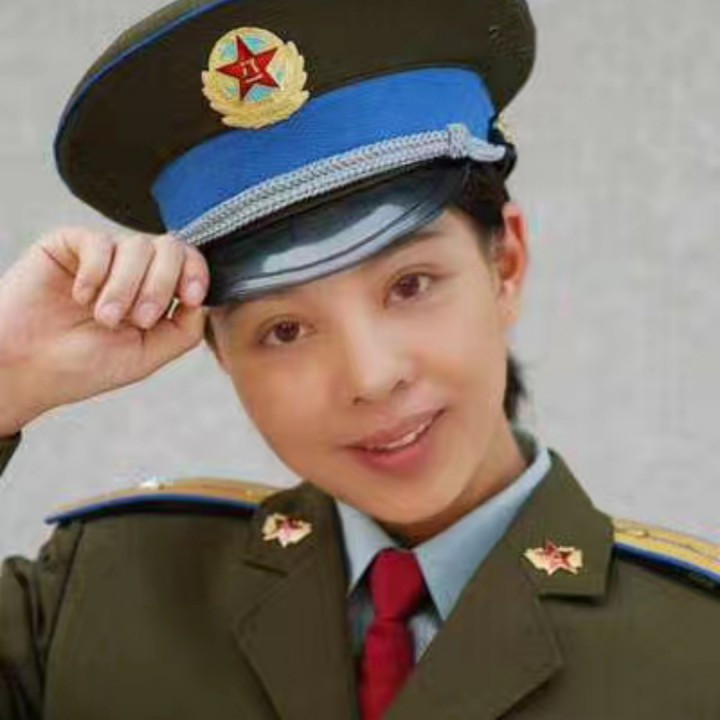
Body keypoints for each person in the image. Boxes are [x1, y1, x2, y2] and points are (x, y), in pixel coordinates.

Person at [0, 0, 718, 718]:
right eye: (285, 329)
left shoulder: (698, 654)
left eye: (411, 286)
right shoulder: (99, 599)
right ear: (216, 350)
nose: (371, 378)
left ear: (506, 265)